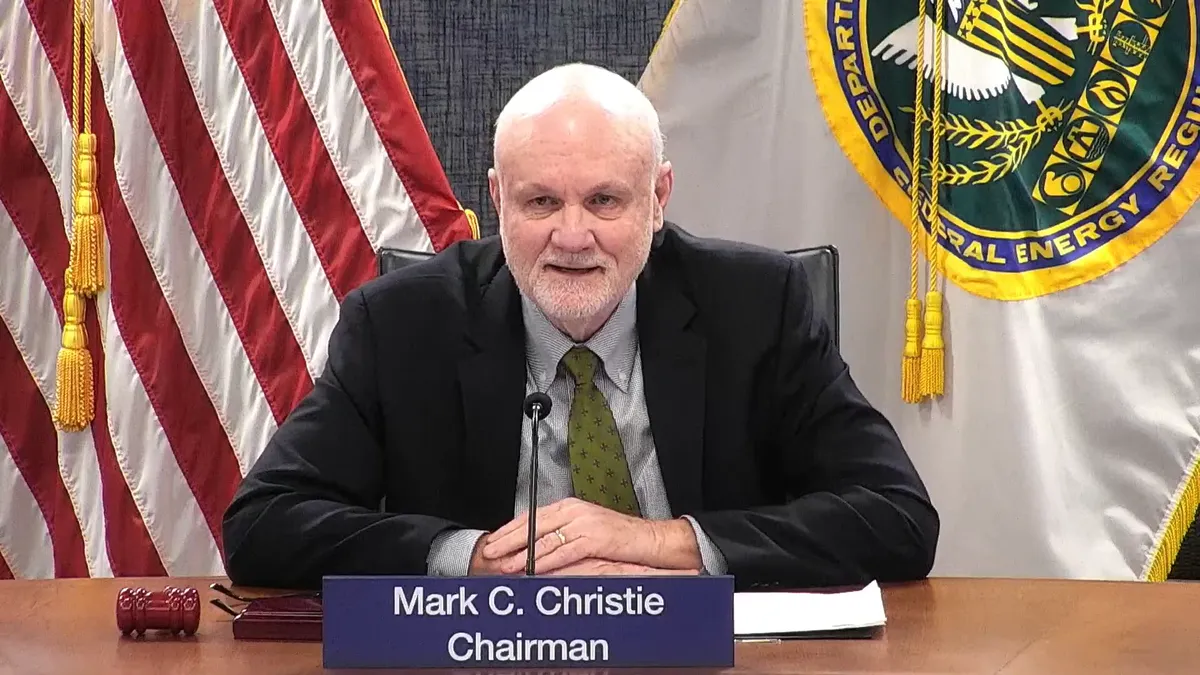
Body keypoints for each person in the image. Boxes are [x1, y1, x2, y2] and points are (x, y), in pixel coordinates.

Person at [221, 62, 939, 590]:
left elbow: (897, 518)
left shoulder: (757, 307)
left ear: (658, 198)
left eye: (604, 200)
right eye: (540, 202)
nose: (572, 236)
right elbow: (263, 523)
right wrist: (470, 555)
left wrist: (661, 544)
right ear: (497, 199)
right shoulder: (403, 324)